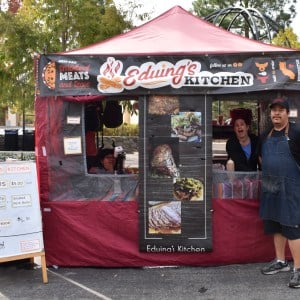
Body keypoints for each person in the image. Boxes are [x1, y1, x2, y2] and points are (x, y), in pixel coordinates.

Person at [259, 97, 300, 288]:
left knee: (292, 227)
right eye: (273, 110)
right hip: (270, 186)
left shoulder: (297, 132)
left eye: (280, 110)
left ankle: (298, 270)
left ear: (287, 112)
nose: (276, 113)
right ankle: (281, 261)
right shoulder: (265, 134)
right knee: (275, 224)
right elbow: (261, 158)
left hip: (291, 187)